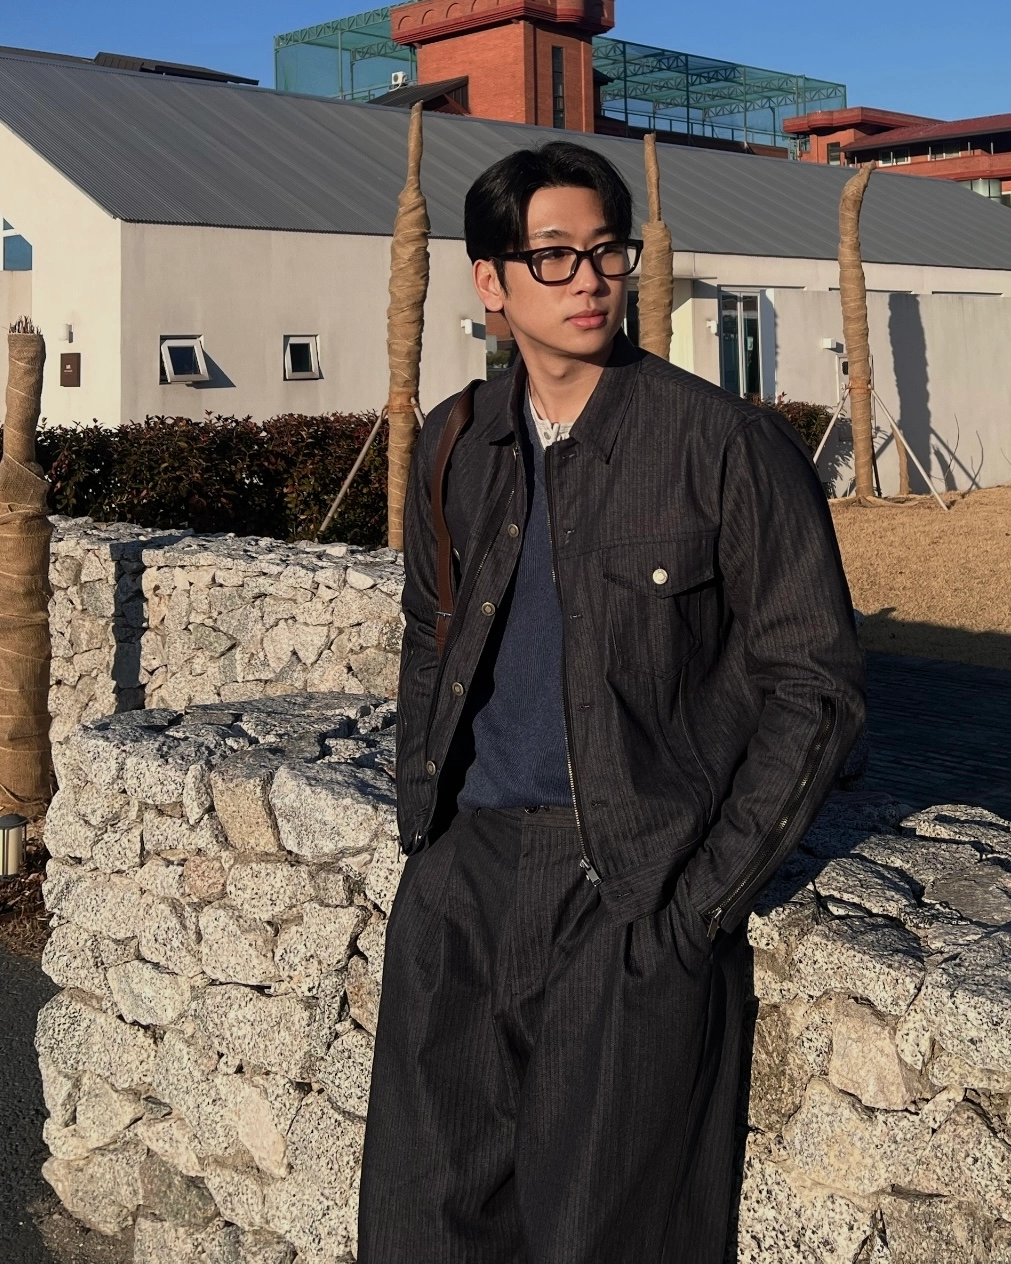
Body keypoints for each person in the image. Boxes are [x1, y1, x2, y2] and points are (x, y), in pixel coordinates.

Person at [358, 140, 864, 1264]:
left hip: (629, 888)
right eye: (553, 255)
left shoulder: (724, 447)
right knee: (418, 1225)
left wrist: (694, 907)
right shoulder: (457, 441)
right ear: (491, 281)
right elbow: (429, 632)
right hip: (463, 882)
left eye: (606, 251)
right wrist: (423, 840)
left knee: (605, 1235)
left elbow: (815, 684)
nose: (588, 278)